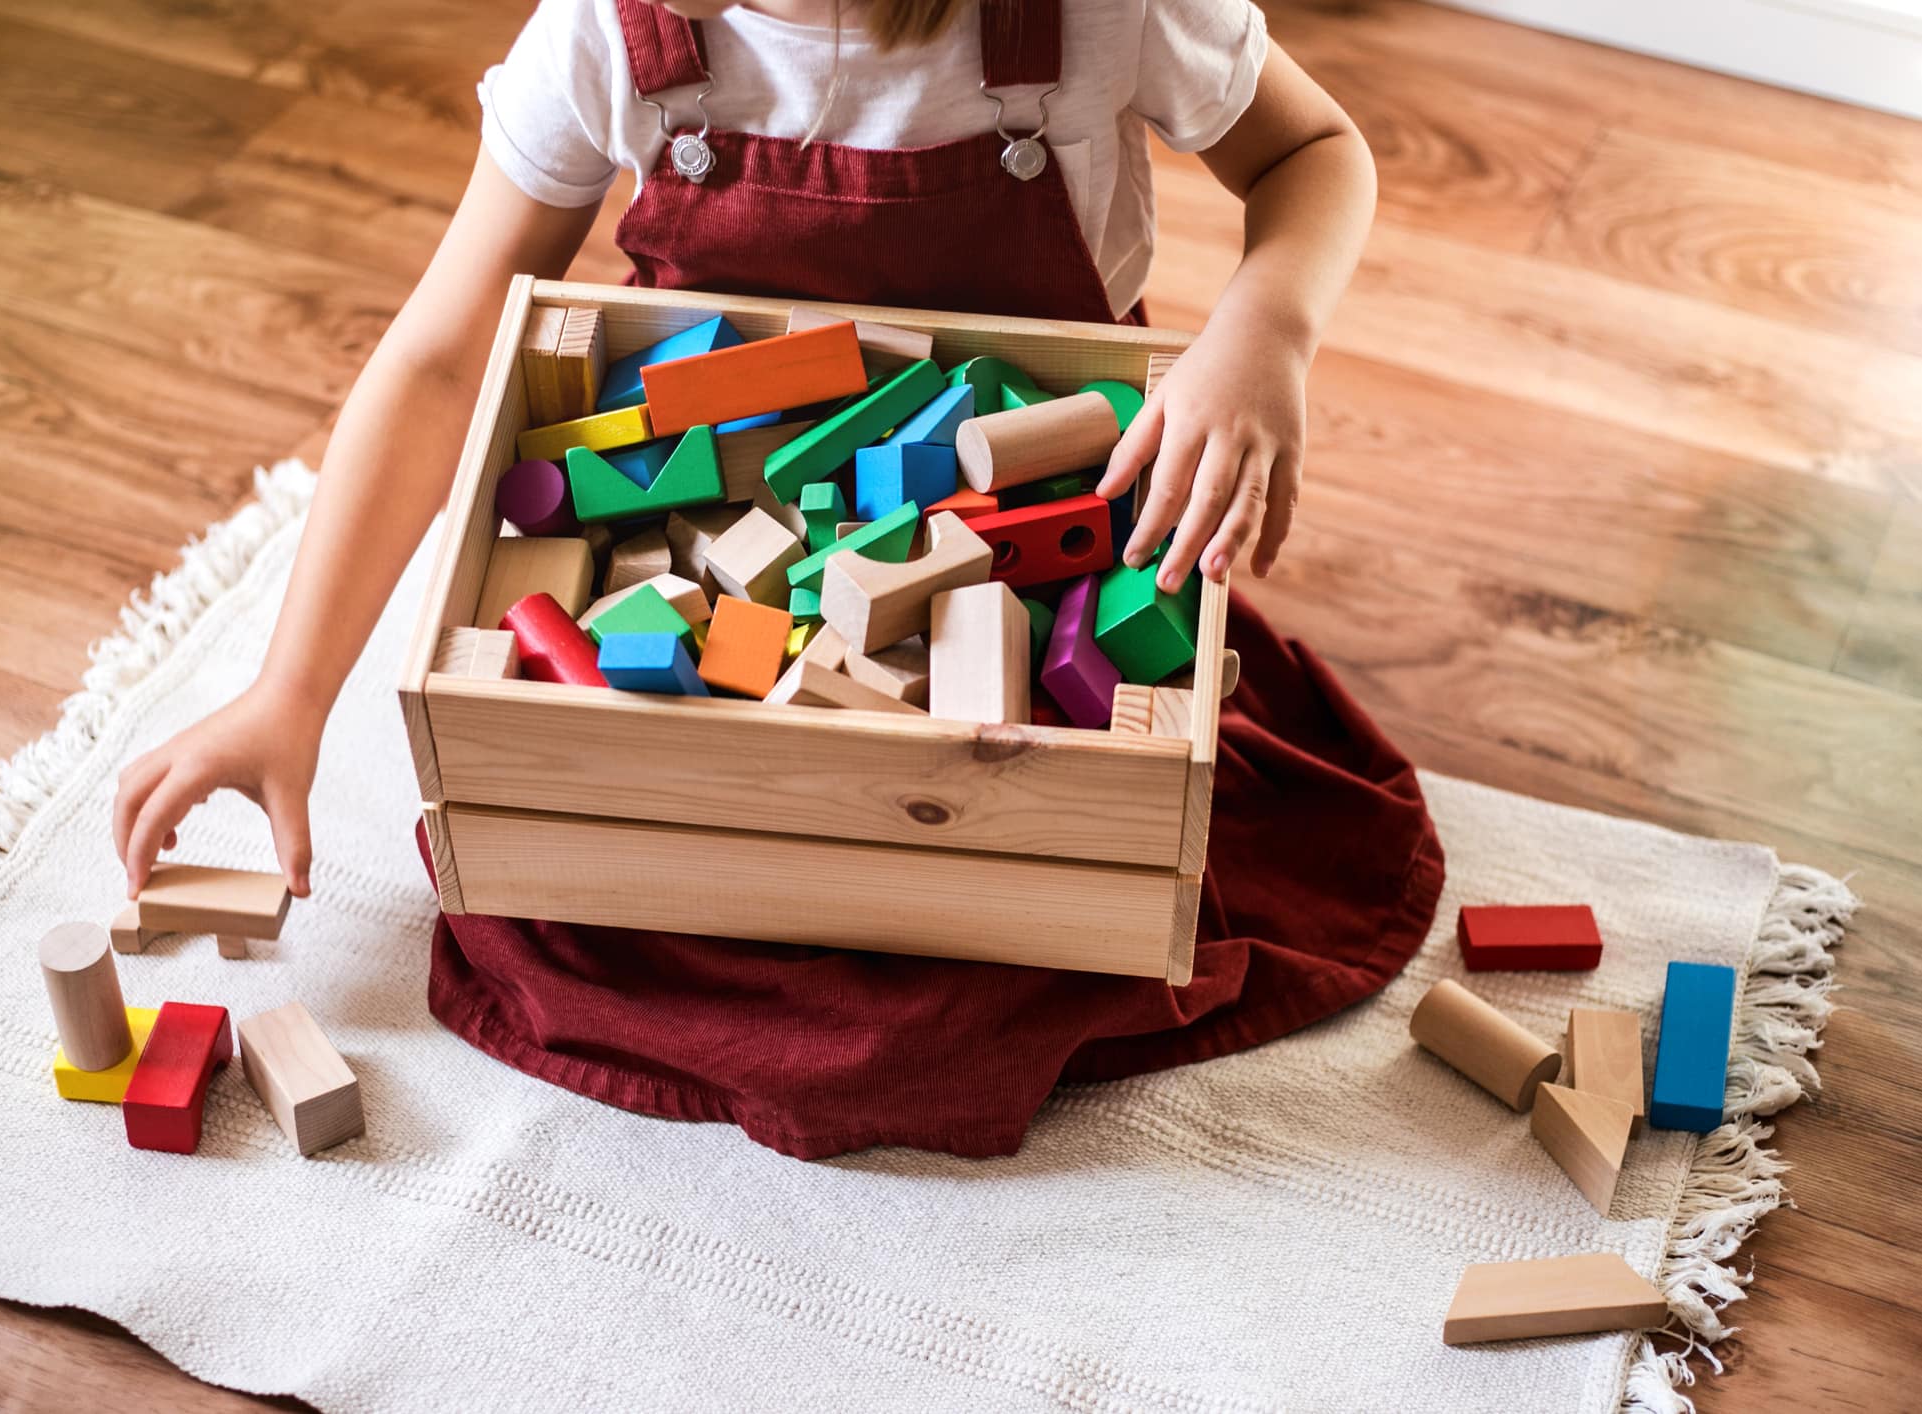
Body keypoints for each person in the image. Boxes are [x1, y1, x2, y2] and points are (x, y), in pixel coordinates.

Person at [114, 0, 1444, 1159]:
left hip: (1031, 543)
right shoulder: (608, 25)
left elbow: (1314, 152)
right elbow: (439, 359)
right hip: (701, 576)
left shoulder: (1098, 8)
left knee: (1034, 922)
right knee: (595, 876)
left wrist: (1266, 328)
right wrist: (287, 692)